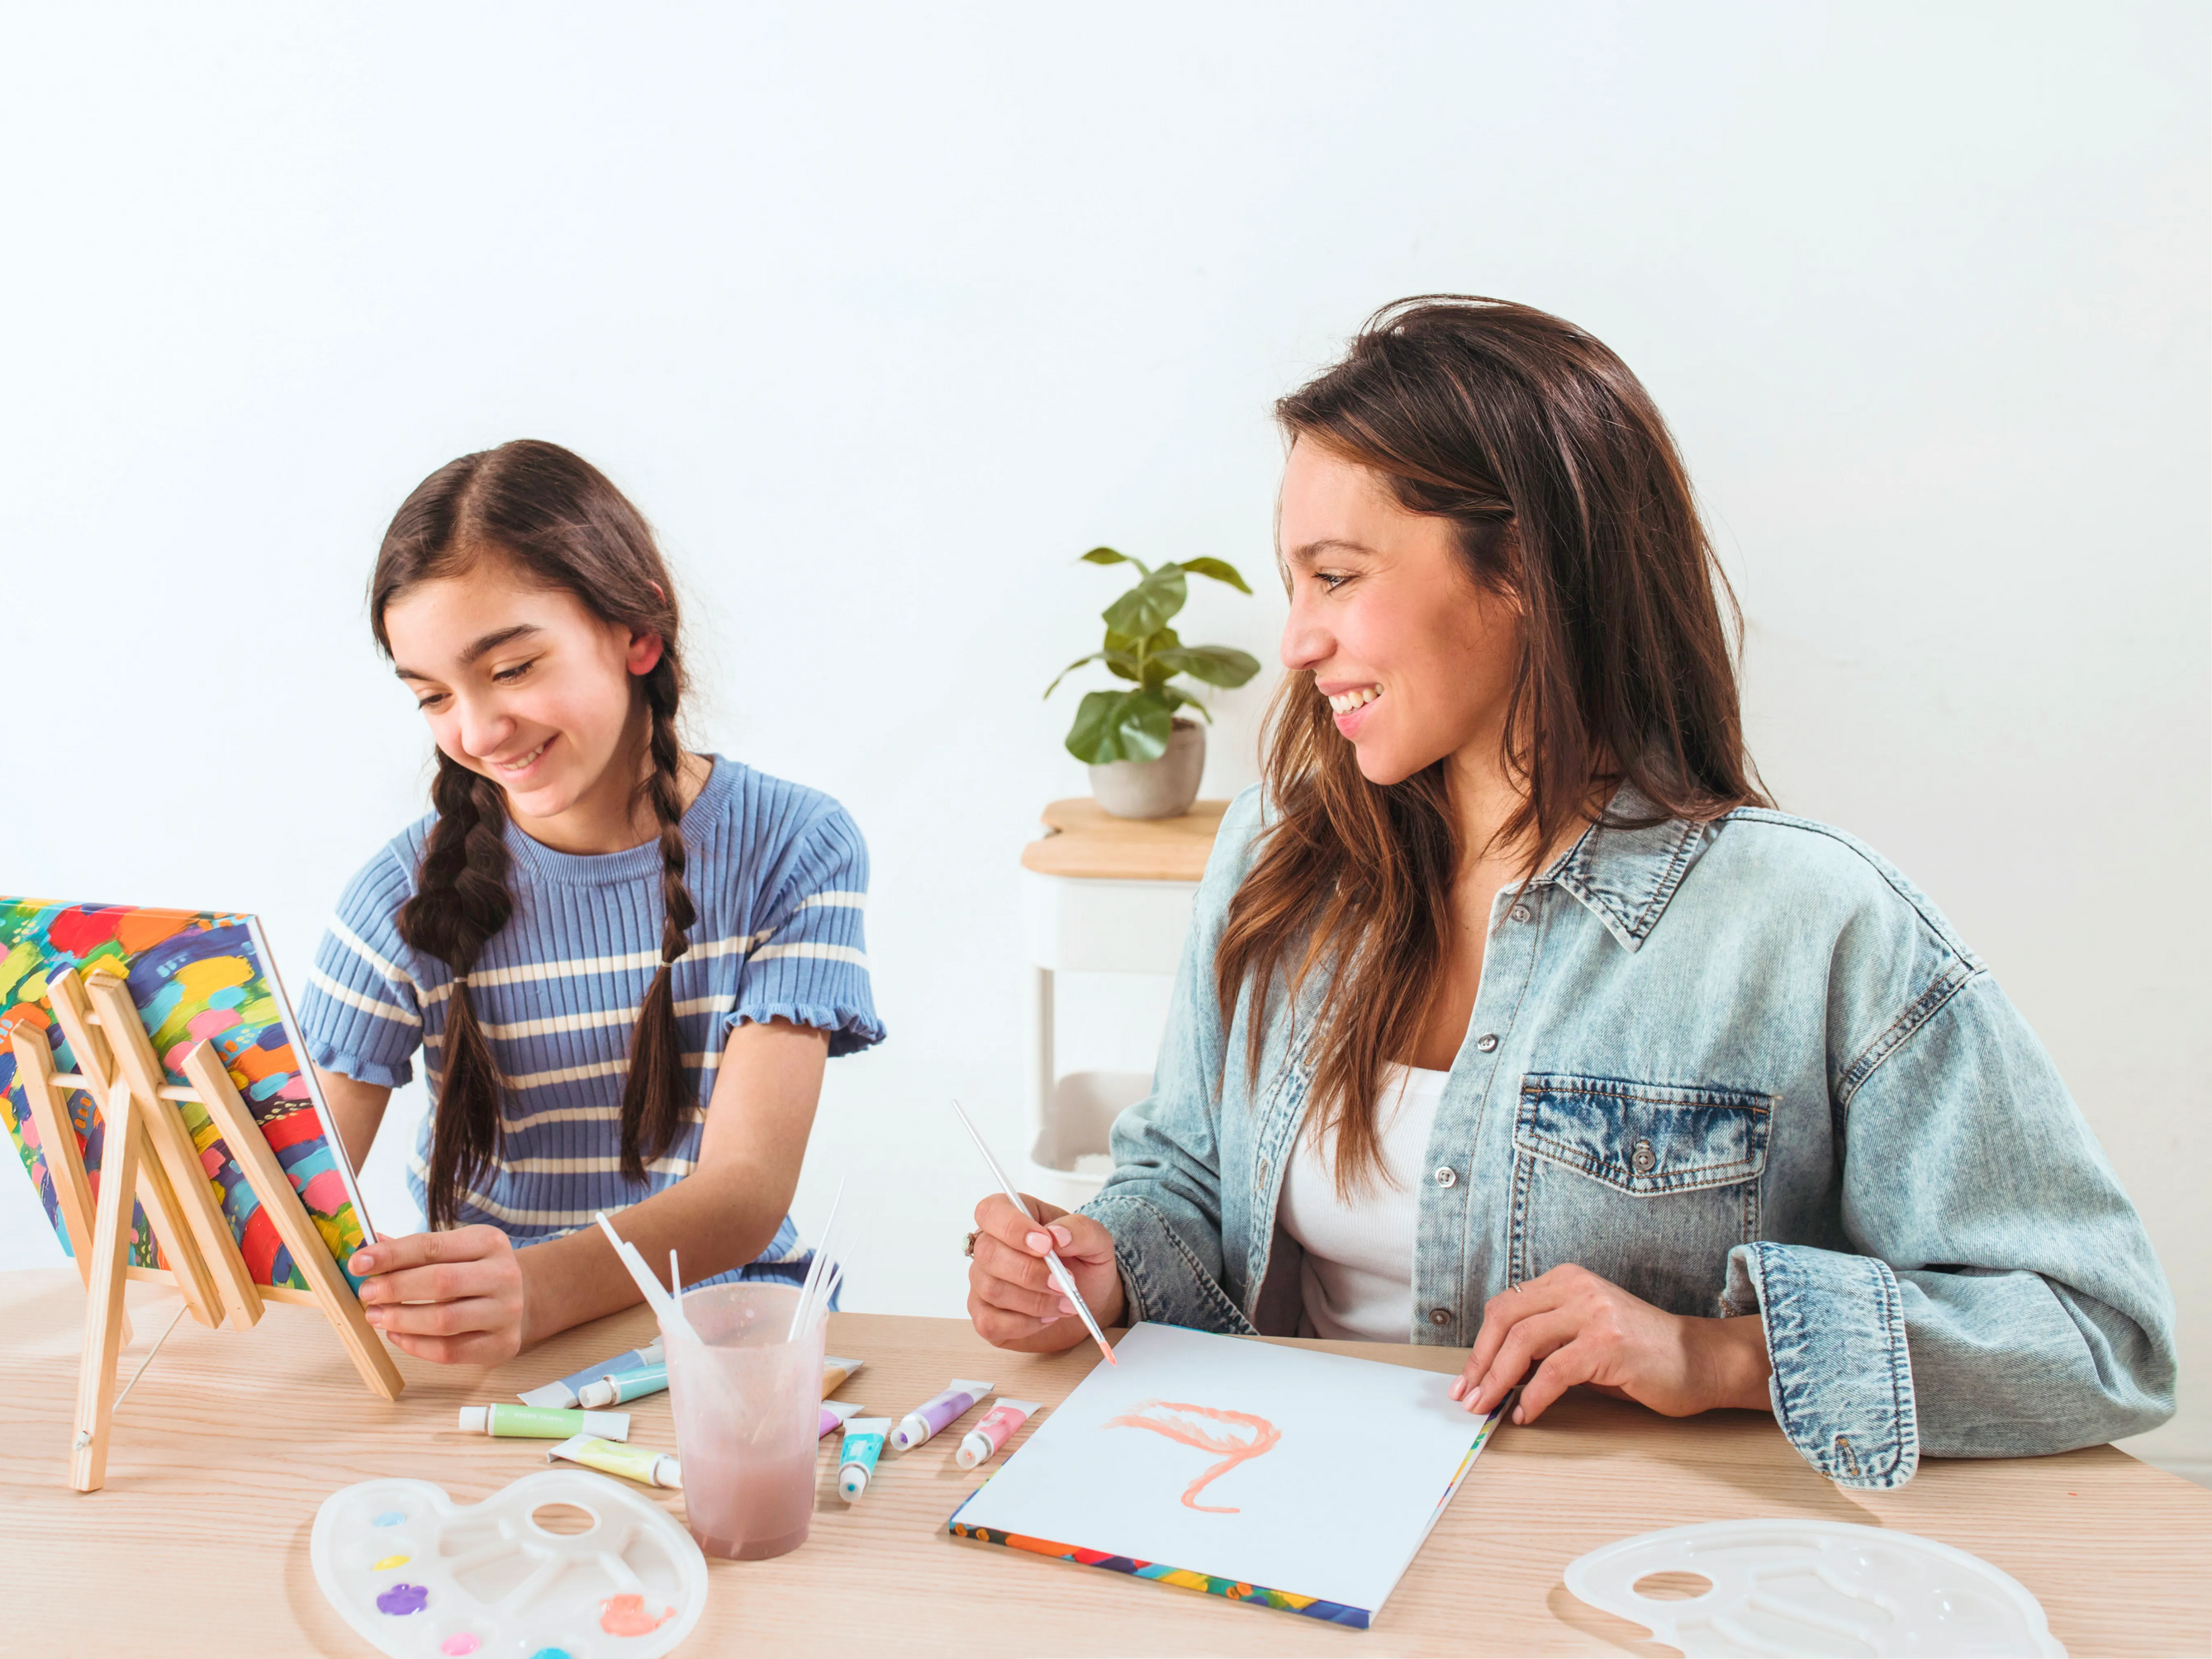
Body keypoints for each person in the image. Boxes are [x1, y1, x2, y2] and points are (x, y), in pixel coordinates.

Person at [966, 296, 2175, 1488]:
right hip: (1275, 1512)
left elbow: (2097, 1335)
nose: (1295, 642)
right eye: (1296, 583)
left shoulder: (1811, 923)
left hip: (1598, 1567)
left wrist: (1713, 1353)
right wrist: (1099, 1260)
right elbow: (1183, 1181)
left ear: (1525, 572)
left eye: (1335, 577)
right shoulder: (1279, 853)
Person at [303, 439, 883, 1363]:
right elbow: (283, 1189)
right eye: (432, 695)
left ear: (636, 632)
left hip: (730, 1345)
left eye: (513, 668)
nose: (478, 730)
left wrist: (535, 1287)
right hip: (501, 1359)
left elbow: (744, 1191)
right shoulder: (398, 895)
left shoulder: (794, 843)